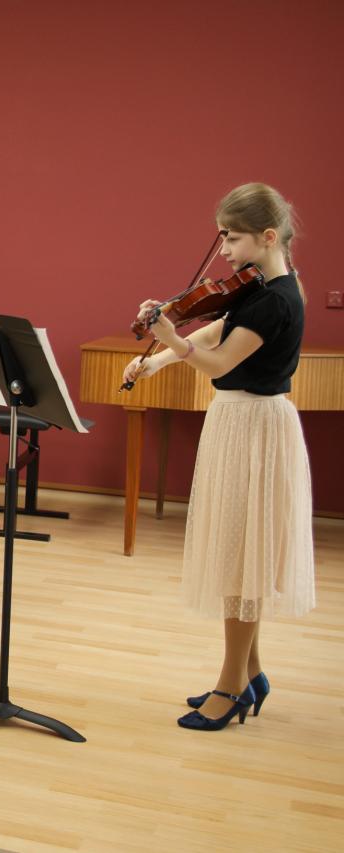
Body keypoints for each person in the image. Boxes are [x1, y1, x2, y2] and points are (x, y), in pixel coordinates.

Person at [123, 182, 314, 731]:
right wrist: (156, 360)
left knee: (241, 563)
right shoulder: (259, 287)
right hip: (237, 422)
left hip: (255, 427)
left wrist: (171, 340)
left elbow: (221, 360)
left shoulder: (278, 299)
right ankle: (249, 673)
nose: (224, 250)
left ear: (268, 237)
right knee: (239, 556)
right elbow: (216, 327)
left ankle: (231, 688)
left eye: (232, 238)